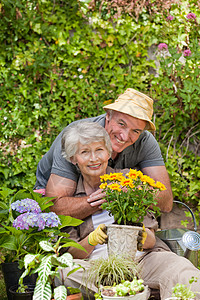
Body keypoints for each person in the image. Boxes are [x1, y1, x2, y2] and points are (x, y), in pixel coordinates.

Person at [55, 122, 200, 300]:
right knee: (65, 272)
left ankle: (126, 292)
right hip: (98, 269)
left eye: (99, 150)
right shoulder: (71, 200)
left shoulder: (129, 181)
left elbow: (152, 239)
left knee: (180, 268)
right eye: (85, 152)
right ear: (73, 158)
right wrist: (91, 240)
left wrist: (142, 236)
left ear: (108, 153)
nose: (94, 158)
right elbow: (71, 254)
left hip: (143, 260)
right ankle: (136, 290)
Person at [34, 88, 173, 218]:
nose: (124, 136)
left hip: (102, 197)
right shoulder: (76, 136)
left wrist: (128, 191)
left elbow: (166, 202)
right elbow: (55, 207)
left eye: (135, 131)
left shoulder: (145, 142)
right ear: (108, 115)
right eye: (121, 124)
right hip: (63, 199)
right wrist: (107, 197)